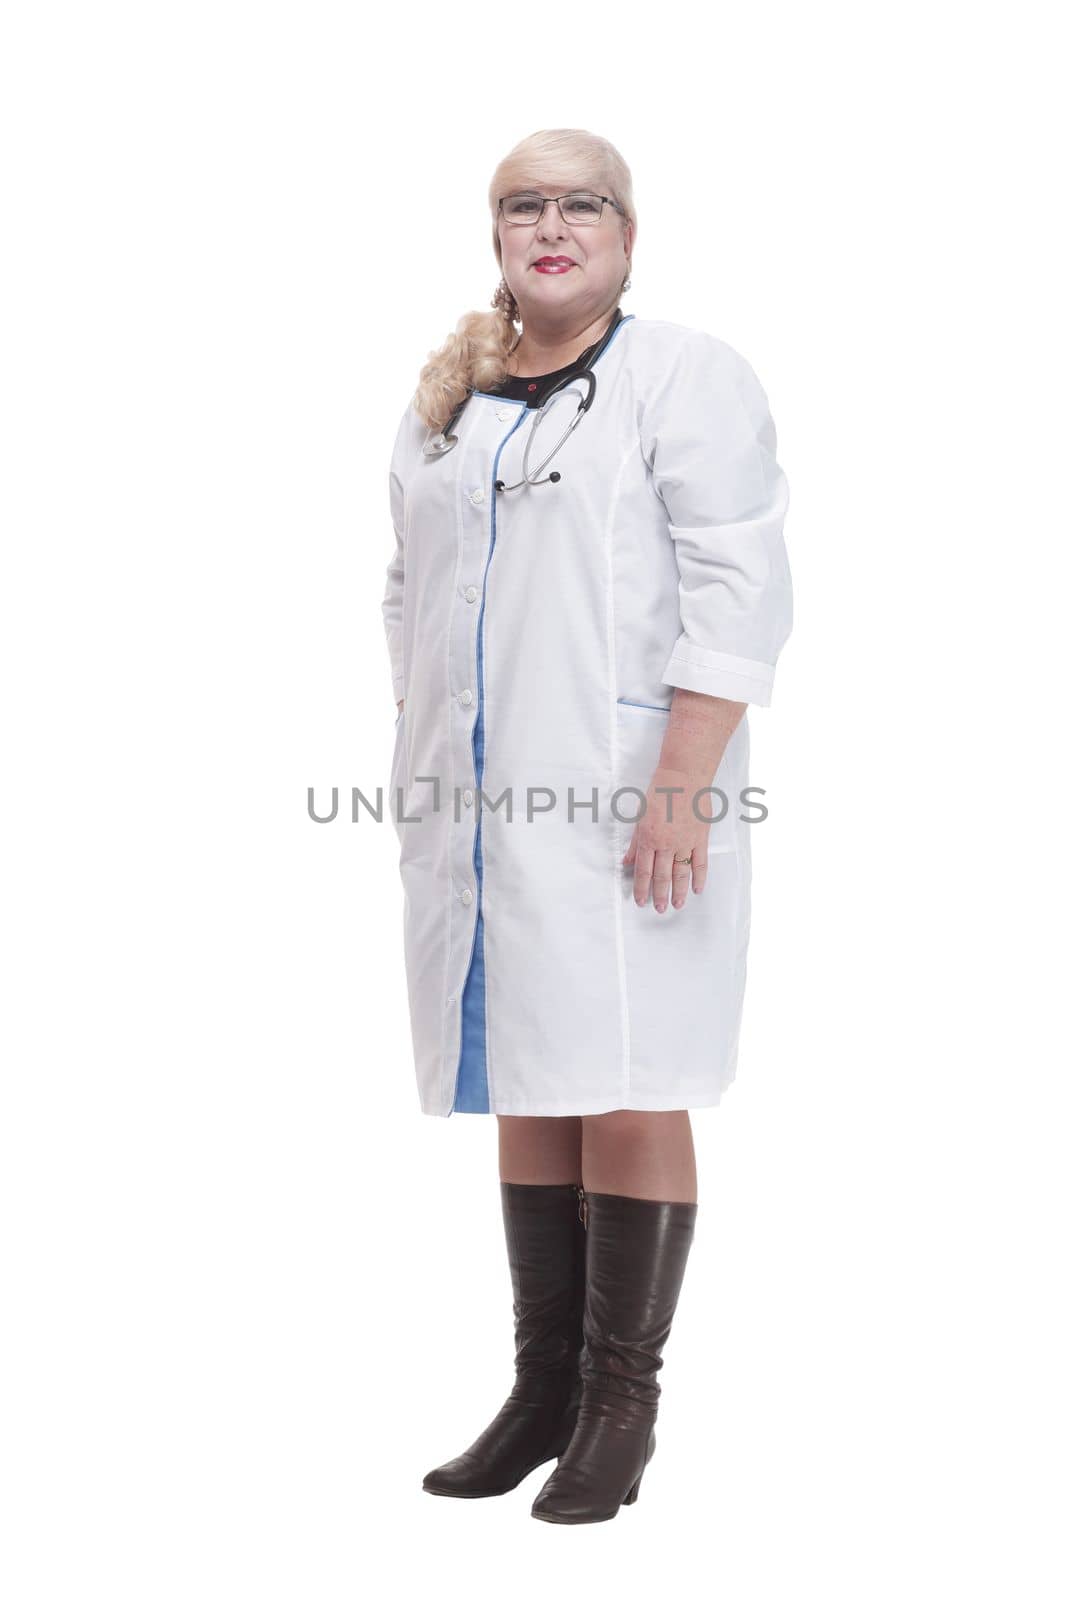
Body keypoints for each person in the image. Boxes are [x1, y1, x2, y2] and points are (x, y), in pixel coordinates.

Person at [380, 128, 793, 1523]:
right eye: (522, 206)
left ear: (626, 228)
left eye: (582, 204)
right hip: (480, 796)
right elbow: (407, 589)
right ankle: (540, 1389)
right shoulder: (453, 397)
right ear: (494, 232)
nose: (552, 226)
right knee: (534, 1068)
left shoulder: (684, 377)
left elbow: (740, 586)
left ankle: (622, 1403)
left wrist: (684, 774)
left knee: (628, 1069)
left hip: (625, 791)